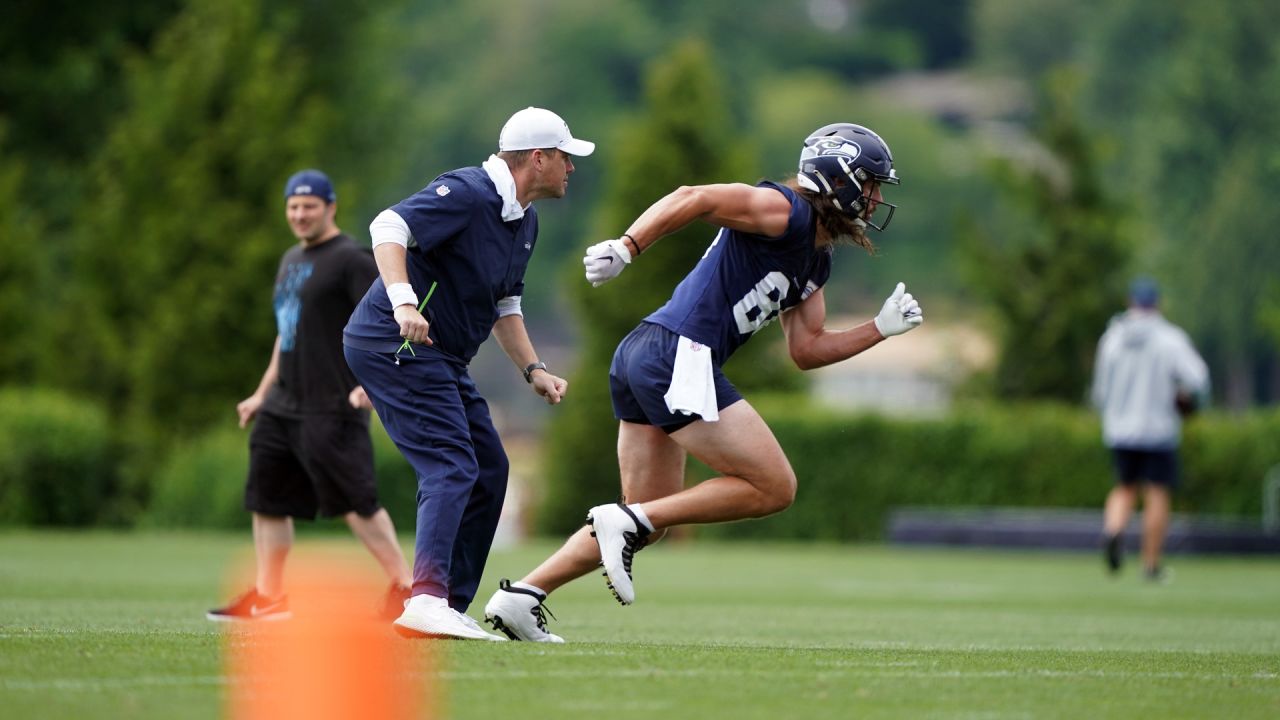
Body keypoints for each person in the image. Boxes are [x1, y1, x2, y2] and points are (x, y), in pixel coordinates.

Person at [482, 122, 924, 642]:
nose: (874, 199)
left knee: (646, 518)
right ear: (838, 176)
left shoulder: (815, 257)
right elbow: (693, 197)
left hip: (649, 353)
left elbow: (806, 350)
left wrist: (879, 329)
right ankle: (618, 523)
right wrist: (628, 247)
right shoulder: (784, 209)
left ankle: (521, 596)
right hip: (678, 353)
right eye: (870, 184)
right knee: (774, 487)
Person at [343, 107, 591, 640]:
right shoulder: (468, 192)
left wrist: (534, 369)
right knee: (452, 463)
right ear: (538, 158)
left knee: (488, 468)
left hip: (440, 356)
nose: (572, 168)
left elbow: (506, 305)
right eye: (566, 158)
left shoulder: (525, 219)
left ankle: (447, 603)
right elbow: (387, 226)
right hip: (395, 339)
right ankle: (426, 598)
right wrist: (404, 301)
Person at [208, 169, 413, 622]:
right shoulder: (290, 260)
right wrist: (262, 393)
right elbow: (287, 334)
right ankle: (269, 596)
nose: (300, 215)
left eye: (309, 207)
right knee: (268, 498)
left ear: (330, 207)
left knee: (355, 502)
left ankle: (407, 589)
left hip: (334, 402)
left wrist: (374, 384)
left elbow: (385, 321)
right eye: (293, 207)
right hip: (283, 404)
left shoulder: (352, 259)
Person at [1092, 277, 1209, 582]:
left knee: (1124, 487)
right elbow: (1197, 379)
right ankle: (1151, 564)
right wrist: (1186, 399)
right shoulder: (1170, 339)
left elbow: (1100, 390)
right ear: (1157, 303)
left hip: (1119, 427)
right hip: (1158, 427)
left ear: (1130, 302)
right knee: (1157, 492)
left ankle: (1114, 530)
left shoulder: (1111, 339)